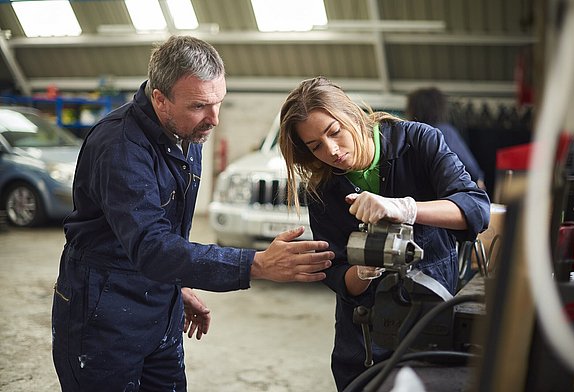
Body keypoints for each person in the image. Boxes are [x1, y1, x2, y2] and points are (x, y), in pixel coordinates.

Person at [51, 36, 334, 392]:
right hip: (103, 312)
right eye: (200, 105)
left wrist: (174, 285)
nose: (213, 119)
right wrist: (256, 264)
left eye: (219, 103)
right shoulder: (120, 147)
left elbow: (164, 234)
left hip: (159, 304)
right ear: (160, 99)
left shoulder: (185, 132)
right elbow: (151, 247)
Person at [278, 77, 490, 391]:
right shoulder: (323, 189)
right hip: (364, 335)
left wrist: (407, 209)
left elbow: (476, 209)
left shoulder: (419, 142)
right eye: (315, 146)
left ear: (351, 114)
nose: (332, 151)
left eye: (334, 132)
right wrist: (362, 272)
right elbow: (335, 272)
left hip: (430, 320)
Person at [405, 87, 487, 190]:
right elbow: (468, 164)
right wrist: (478, 179)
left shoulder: (408, 133)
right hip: (444, 193)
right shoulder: (445, 131)